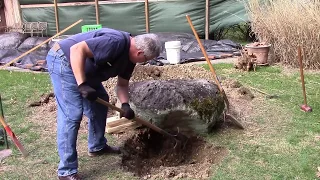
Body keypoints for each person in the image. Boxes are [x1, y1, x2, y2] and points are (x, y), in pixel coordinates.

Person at [45, 27, 162, 180]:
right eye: (146, 60)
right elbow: (76, 50)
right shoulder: (115, 42)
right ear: (140, 53)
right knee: (71, 114)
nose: (144, 63)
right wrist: (82, 85)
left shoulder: (130, 59)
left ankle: (97, 146)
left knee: (100, 103)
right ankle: (66, 171)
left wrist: (125, 105)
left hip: (86, 70)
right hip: (64, 60)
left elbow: (122, 85)